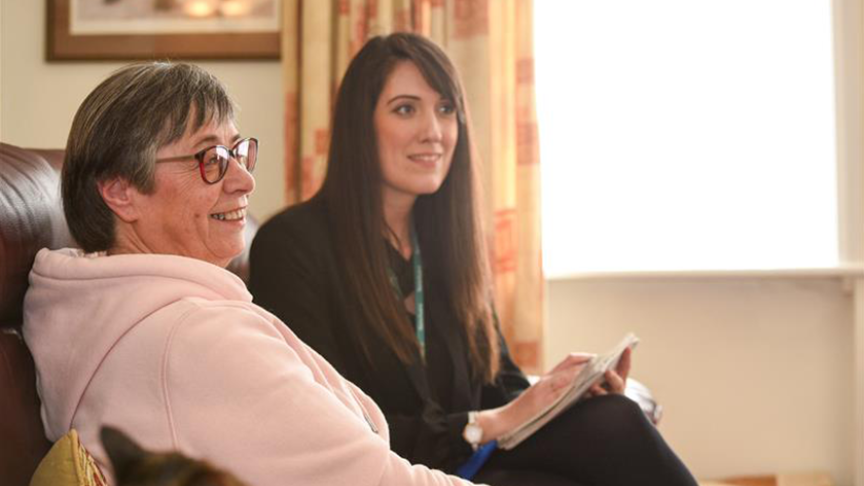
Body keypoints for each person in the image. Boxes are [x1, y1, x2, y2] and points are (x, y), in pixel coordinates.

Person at [249, 33, 699, 486]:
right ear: (358, 126)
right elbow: (330, 420)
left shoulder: (444, 243)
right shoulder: (292, 245)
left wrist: (565, 394)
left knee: (609, 414)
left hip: (473, 461)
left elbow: (499, 382)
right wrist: (486, 423)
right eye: (406, 109)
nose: (434, 131)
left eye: (446, 109)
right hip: (391, 471)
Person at [23, 62, 479, 486]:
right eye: (210, 158)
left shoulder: (90, 313)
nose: (244, 180)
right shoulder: (196, 338)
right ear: (120, 191)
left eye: (237, 152)